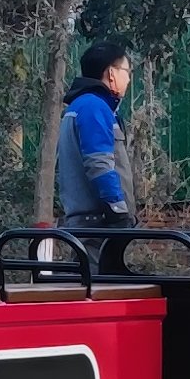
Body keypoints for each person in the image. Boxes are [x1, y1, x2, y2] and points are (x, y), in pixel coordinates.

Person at [54, 37, 135, 234]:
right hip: (99, 226)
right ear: (111, 73)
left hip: (91, 224)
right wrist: (117, 211)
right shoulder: (94, 107)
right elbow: (99, 163)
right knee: (96, 266)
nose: (129, 79)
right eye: (127, 72)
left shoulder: (83, 105)